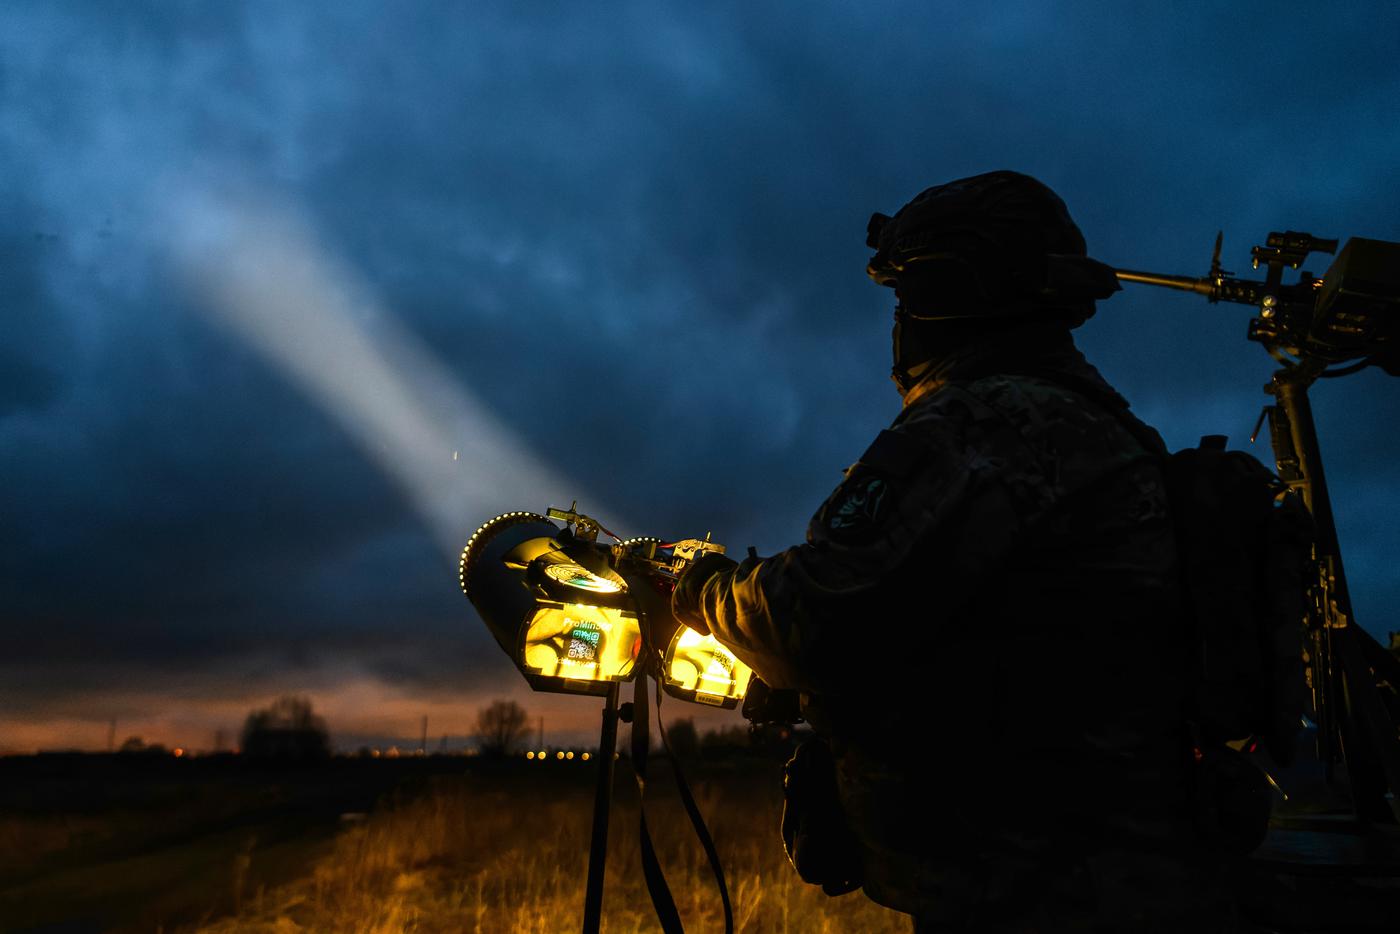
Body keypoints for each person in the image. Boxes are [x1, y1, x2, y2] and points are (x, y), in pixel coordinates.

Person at [671, 171, 1233, 932]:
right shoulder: (1092, 424)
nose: (898, 321)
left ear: (945, 293)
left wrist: (700, 587)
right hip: (1108, 869)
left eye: (905, 294)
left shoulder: (984, 424)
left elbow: (813, 616)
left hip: (1040, 887)